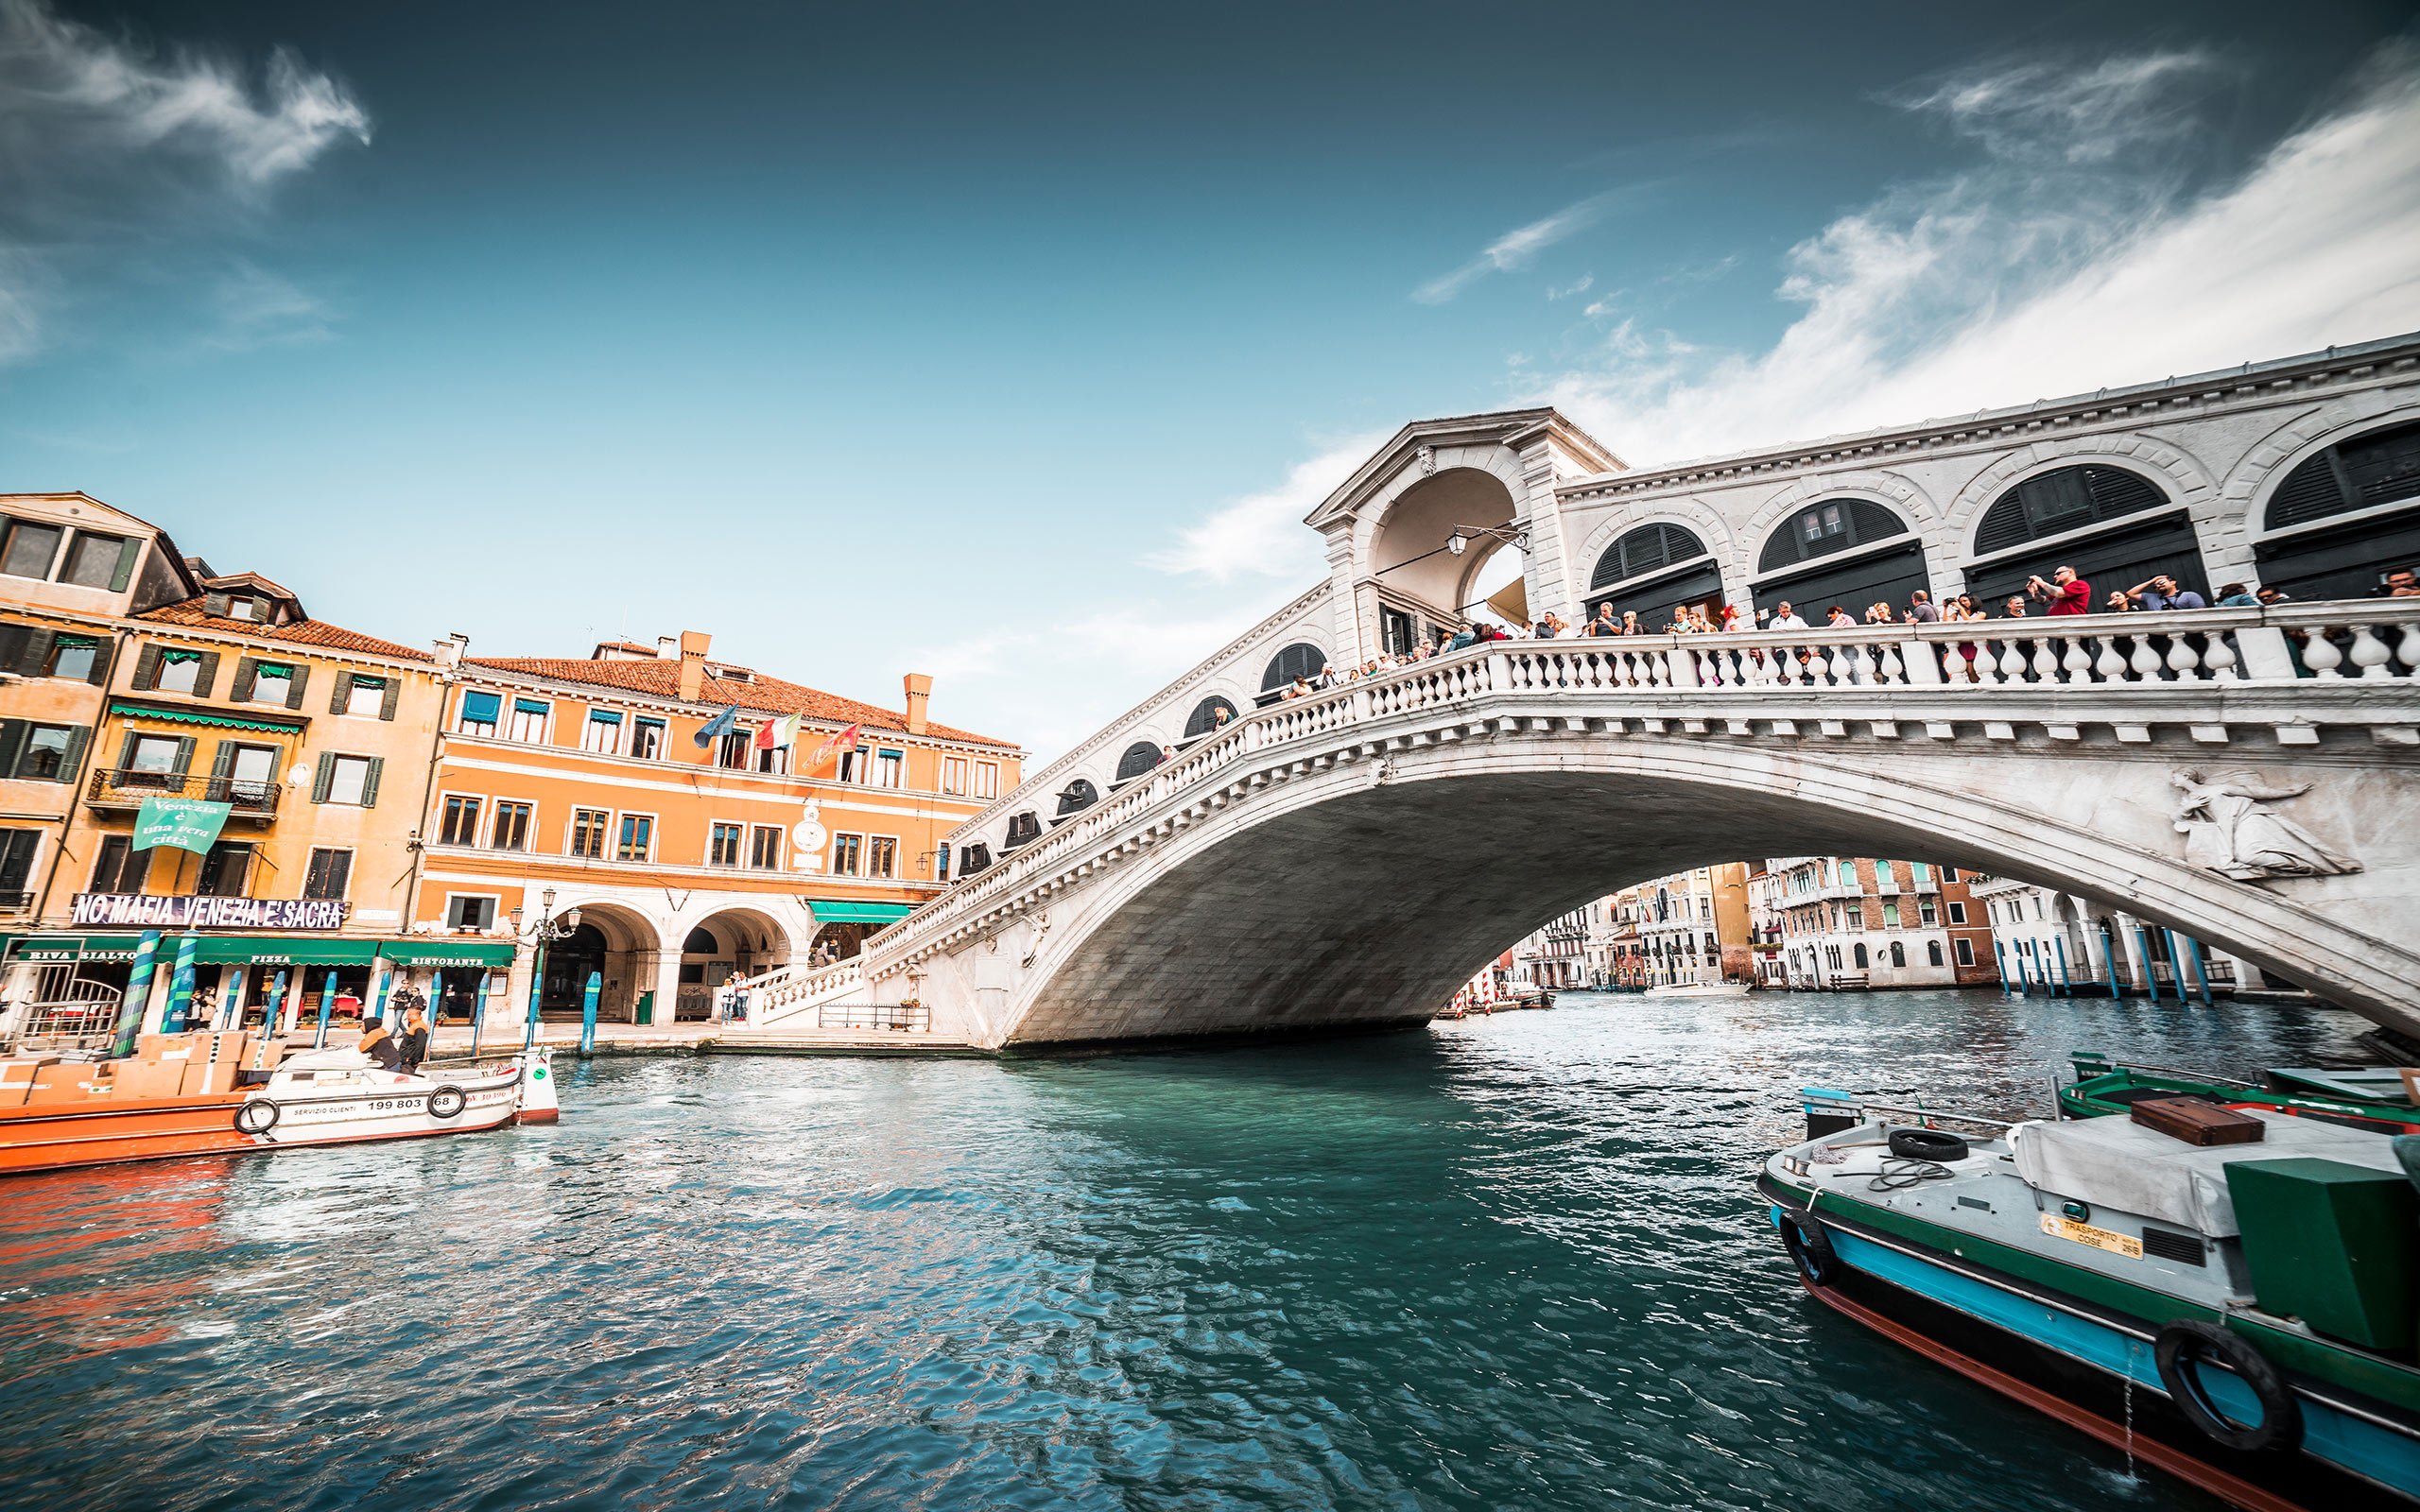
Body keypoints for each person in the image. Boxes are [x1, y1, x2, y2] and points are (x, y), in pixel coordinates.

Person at [2026, 565, 2091, 615]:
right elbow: (2044, 601)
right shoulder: (2062, 589)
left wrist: (2041, 582)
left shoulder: (2080, 584)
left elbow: (2059, 593)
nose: (2055, 576)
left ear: (2070, 572)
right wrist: (2035, 592)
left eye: (2058, 573)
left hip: (2072, 624)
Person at [2123, 574, 2207, 610]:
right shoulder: (2150, 598)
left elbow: (2202, 614)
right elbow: (2129, 594)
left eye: (2161, 583)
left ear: (2173, 582)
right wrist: (2152, 581)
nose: (2158, 586)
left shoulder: (2190, 596)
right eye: (2155, 586)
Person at [396, 1006, 431, 1074]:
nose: (408, 1017)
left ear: (416, 1015)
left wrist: (414, 1060)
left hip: (409, 1059)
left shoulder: (419, 1027)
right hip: (406, 1057)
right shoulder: (414, 1025)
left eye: (409, 1015)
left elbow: (420, 1045)